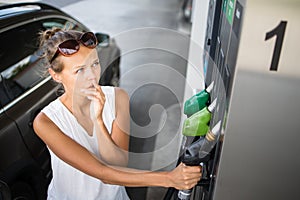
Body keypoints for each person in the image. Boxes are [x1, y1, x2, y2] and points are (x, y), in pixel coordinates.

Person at [33, 27, 201, 200]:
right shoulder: (46, 122)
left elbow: (118, 164)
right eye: (79, 70)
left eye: (95, 64)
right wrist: (170, 179)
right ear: (56, 75)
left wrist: (98, 121)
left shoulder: (118, 97)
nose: (92, 76)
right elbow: (104, 173)